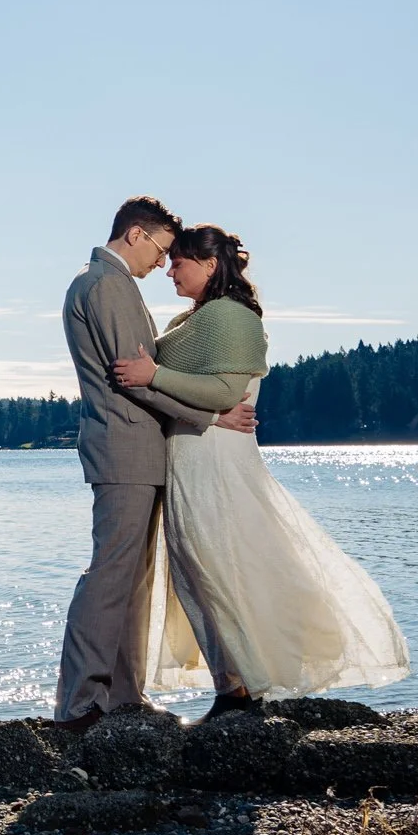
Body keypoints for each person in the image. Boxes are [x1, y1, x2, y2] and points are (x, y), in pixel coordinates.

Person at [112, 224, 409, 707]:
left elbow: (227, 394)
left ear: (209, 265)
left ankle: (248, 685)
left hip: (216, 463)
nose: (170, 269)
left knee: (220, 569)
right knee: (193, 572)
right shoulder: (192, 320)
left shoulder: (233, 318)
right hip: (190, 461)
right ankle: (232, 688)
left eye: (180, 261)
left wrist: (155, 373)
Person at [52, 196, 258, 730]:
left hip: (136, 450)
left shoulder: (110, 284)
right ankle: (81, 704)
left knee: (133, 576)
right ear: (137, 235)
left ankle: (121, 695)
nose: (163, 264)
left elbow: (143, 374)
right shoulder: (105, 284)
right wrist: (210, 417)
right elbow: (133, 377)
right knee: (110, 575)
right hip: (123, 447)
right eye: (162, 249)